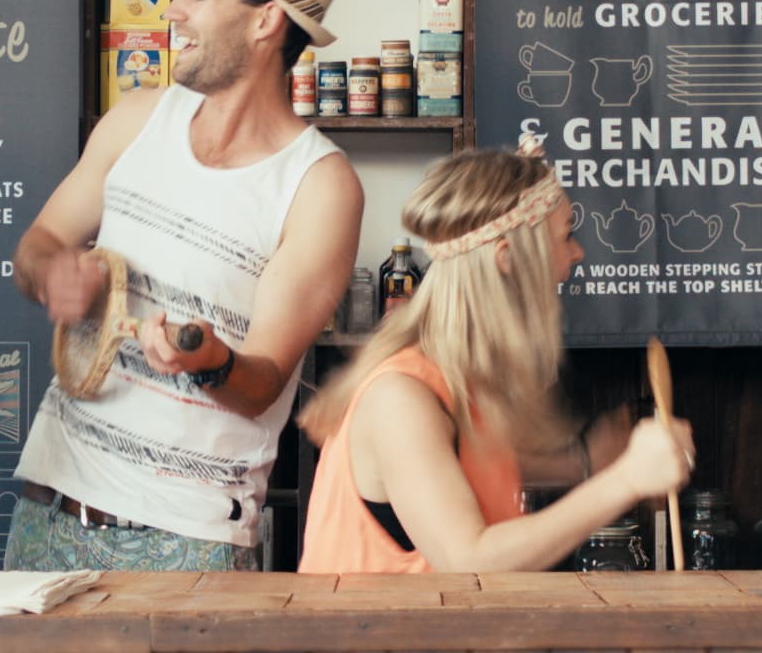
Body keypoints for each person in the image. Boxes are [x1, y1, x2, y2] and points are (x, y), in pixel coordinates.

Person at [6, 0, 364, 571]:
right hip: (50, 509)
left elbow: (260, 381)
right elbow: (40, 241)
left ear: (266, 20)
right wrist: (52, 270)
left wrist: (210, 363)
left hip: (186, 541)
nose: (171, 11)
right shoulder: (137, 119)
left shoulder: (319, 187)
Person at [297, 147, 694, 573]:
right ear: (506, 258)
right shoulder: (400, 397)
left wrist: (585, 463)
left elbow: (460, 469)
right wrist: (627, 480)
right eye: (565, 236)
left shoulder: (461, 382)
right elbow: (469, 558)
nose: (577, 254)